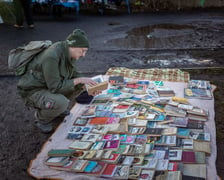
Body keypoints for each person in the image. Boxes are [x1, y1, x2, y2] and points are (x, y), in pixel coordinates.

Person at [17, 29, 99, 133]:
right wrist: (79, 80)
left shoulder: (68, 52)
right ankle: (41, 119)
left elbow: (73, 74)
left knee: (80, 85)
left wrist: (87, 85)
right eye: (82, 50)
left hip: (46, 85)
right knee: (61, 102)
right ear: (73, 46)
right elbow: (55, 87)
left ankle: (55, 109)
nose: (83, 55)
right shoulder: (51, 56)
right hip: (33, 90)